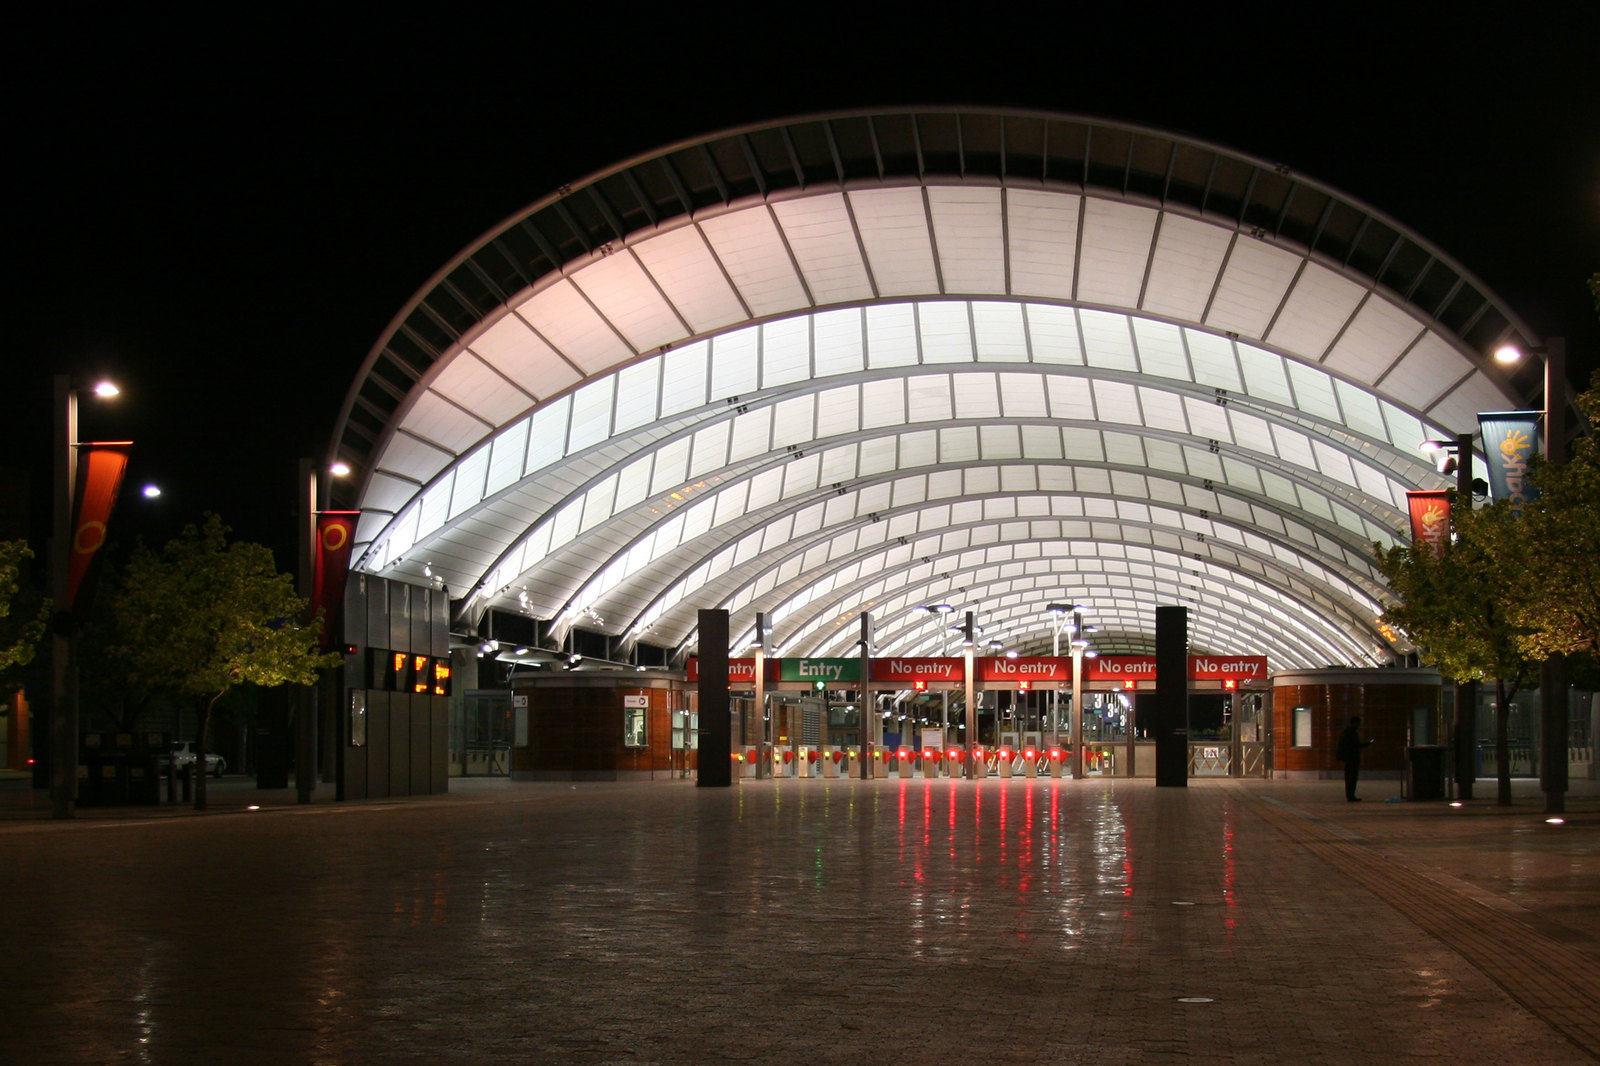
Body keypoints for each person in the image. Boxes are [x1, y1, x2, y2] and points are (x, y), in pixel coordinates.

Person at [1336, 716, 1373, 801]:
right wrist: (1366, 745)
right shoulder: (1352, 732)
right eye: (1358, 723)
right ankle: (1351, 796)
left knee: (1349, 777)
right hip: (1352, 758)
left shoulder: (1346, 732)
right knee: (1352, 778)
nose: (1359, 725)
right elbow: (1355, 745)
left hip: (1348, 758)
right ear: (1354, 723)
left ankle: (1350, 795)